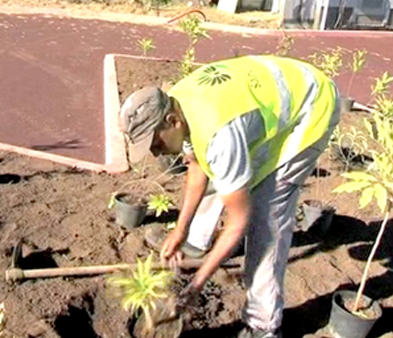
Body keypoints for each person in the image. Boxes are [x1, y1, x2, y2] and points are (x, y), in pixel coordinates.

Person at [118, 54, 340, 338]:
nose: (155, 152)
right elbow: (198, 167)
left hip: (311, 106)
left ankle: (264, 325)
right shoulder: (176, 101)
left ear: (171, 121)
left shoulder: (219, 136)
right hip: (263, 106)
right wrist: (180, 231)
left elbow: (239, 221)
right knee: (225, 174)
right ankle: (196, 244)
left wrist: (197, 284)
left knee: (267, 213)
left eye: (155, 142)